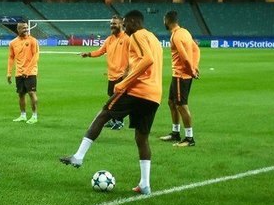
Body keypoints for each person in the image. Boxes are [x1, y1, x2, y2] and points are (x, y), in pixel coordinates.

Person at [60, 10, 163, 195]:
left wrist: (123, 82)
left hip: (137, 90)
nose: (124, 26)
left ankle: (78, 156)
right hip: (154, 95)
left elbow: (148, 60)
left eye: (125, 23)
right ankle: (145, 184)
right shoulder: (154, 38)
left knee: (103, 114)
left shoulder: (137, 35)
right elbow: (146, 61)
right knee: (142, 138)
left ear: (132, 22)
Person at [81, 14, 129, 130]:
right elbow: (100, 51)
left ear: (121, 24)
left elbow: (133, 56)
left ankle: (119, 122)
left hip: (122, 75)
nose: (112, 25)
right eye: (111, 23)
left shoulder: (127, 38)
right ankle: (114, 121)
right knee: (111, 98)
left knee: (118, 100)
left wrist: (127, 71)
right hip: (111, 75)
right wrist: (88, 54)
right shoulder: (109, 40)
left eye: (114, 23)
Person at [160, 10, 200, 147]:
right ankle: (175, 133)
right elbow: (196, 50)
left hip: (181, 75)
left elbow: (184, 57)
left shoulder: (176, 36)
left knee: (181, 105)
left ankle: (189, 138)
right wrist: (195, 66)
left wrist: (192, 70)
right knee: (171, 102)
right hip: (180, 75)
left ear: (167, 20)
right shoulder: (185, 32)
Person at [7, 20, 40, 124]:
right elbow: (11, 58)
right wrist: (9, 73)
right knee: (21, 94)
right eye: (24, 28)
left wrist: (27, 70)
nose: (26, 29)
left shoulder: (33, 41)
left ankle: (34, 116)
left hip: (31, 72)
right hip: (19, 73)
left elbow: (36, 56)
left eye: (27, 27)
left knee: (31, 93)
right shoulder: (13, 43)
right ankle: (23, 115)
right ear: (18, 29)